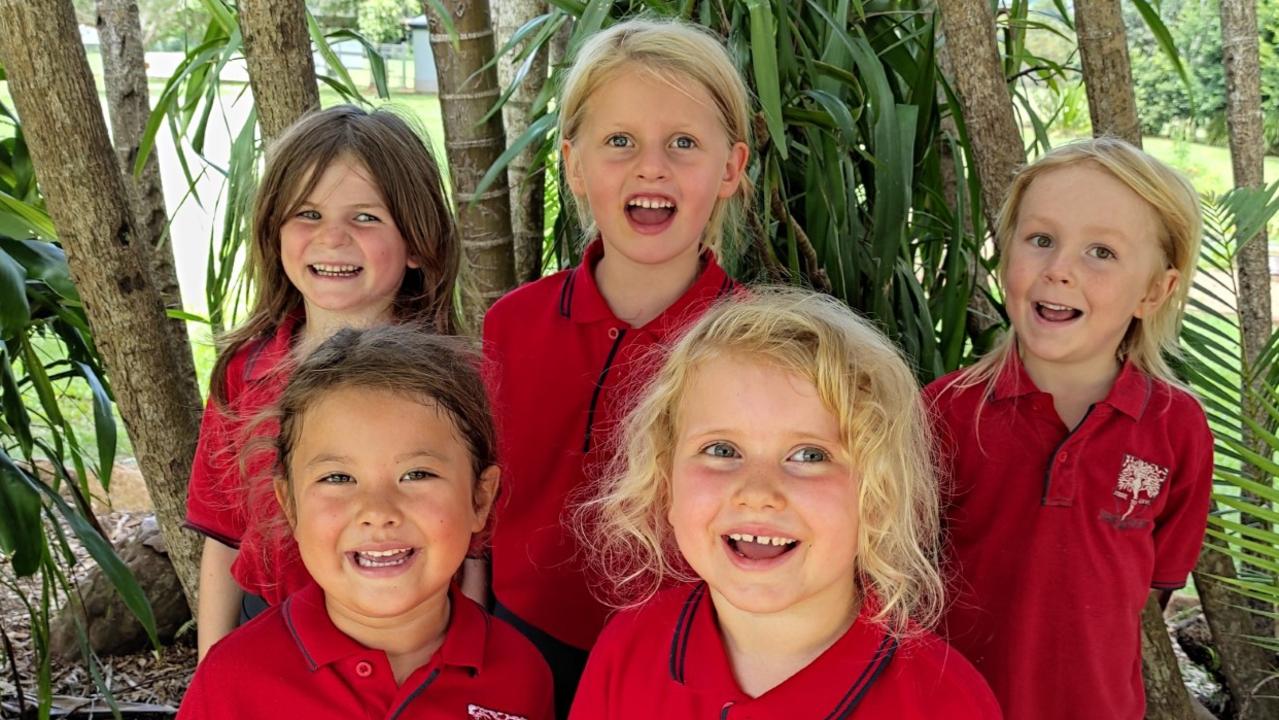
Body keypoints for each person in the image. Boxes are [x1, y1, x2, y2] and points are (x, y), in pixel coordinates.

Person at [477, 18, 751, 710]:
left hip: (684, 657)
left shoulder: (754, 347)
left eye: (682, 143)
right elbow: (481, 502)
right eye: (619, 141)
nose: (649, 167)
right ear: (574, 164)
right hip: (518, 640)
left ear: (730, 168)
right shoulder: (510, 325)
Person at [570, 288, 1002, 718]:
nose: (758, 493)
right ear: (665, 482)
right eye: (722, 450)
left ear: (878, 496)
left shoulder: (945, 702)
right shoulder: (628, 651)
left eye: (810, 456)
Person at [924, 138, 1213, 719]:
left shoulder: (1177, 429)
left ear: (1155, 291)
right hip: (950, 705)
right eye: (1041, 240)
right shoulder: (945, 411)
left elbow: (1154, 582)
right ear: (1006, 256)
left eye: (1101, 252)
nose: (1059, 270)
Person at [185, 104, 460, 659]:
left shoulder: (448, 384)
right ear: (274, 230)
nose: (332, 239)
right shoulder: (245, 370)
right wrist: (212, 670)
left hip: (410, 638)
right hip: (270, 634)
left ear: (415, 244)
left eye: (365, 217)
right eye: (307, 214)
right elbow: (223, 536)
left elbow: (474, 549)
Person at [179, 325, 554, 719]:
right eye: (338, 478)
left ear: (479, 498)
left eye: (416, 474)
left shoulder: (521, 673)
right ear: (290, 505)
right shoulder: (234, 679)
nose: (377, 511)